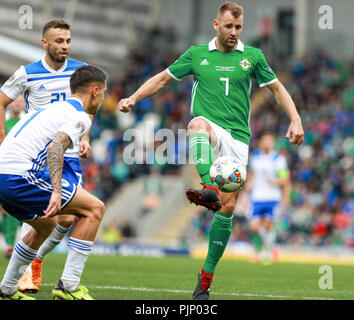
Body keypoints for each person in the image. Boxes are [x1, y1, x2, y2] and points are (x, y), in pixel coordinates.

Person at [118, 1, 304, 300]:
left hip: (238, 139)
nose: (233, 32)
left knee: (228, 209)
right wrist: (134, 97)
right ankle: (207, 186)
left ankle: (205, 278)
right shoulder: (196, 54)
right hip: (210, 127)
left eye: (239, 27)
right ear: (216, 25)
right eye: (229, 26)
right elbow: (164, 78)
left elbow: (278, 89)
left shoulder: (253, 56)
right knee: (197, 126)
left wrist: (295, 118)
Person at [0, 65, 107, 300]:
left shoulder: (53, 108)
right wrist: (57, 191)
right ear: (95, 91)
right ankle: (68, 286)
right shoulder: (79, 116)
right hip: (19, 176)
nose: (102, 99)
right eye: (104, 93)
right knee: (94, 208)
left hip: (3, 176)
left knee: (46, 225)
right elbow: (56, 147)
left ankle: (7, 289)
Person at [243, 132, 291, 264]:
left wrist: (277, 185)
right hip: (256, 197)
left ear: (273, 143)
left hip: (272, 197)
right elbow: (251, 175)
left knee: (267, 225)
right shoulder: (255, 157)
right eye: (265, 141)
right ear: (260, 143)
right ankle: (264, 250)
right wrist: (247, 189)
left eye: (269, 141)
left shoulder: (278, 159)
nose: (267, 144)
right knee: (253, 226)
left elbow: (285, 179)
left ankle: (265, 252)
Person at [0, 96, 24, 258]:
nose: (16, 102)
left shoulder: (26, 123)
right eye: (14, 99)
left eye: (20, 100)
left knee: (11, 210)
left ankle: (11, 245)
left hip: (17, 170)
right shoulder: (3, 123)